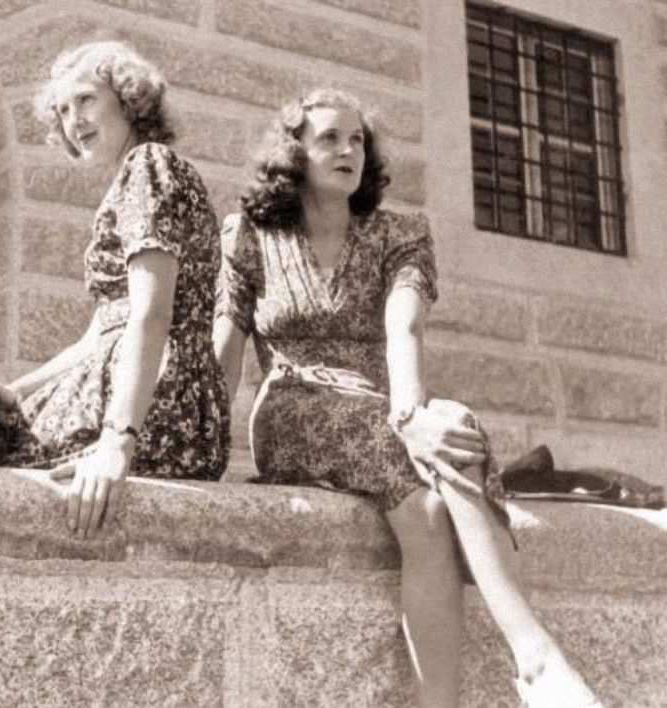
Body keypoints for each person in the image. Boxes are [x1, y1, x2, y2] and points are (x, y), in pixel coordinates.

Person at [212, 89, 600, 707]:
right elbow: (224, 352)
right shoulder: (249, 236)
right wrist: (200, 451)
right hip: (295, 407)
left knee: (444, 460)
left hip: (383, 404)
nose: (348, 150)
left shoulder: (402, 233)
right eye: (330, 138)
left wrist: (410, 413)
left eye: (358, 139)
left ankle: (512, 671)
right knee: (424, 467)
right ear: (295, 154)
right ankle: (528, 662)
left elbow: (405, 327)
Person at [0, 41, 230, 540]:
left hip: (160, 408)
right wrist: (12, 393)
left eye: (85, 100)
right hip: (151, 398)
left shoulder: (148, 166)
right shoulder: (134, 177)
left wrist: (117, 441)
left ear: (128, 100)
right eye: (62, 110)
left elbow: (152, 314)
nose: (73, 120)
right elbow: (98, 336)